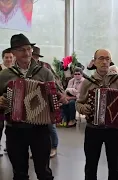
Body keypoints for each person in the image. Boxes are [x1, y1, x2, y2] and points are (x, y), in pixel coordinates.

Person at [0, 33, 67, 180]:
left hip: (40, 129)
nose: (26, 53)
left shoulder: (44, 72)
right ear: (13, 53)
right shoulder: (5, 75)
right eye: (21, 50)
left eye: (29, 49)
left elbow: (59, 93)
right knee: (19, 173)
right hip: (14, 129)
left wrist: (60, 98)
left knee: (44, 172)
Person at [76, 49, 118, 180]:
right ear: (94, 61)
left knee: (114, 166)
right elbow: (79, 103)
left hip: (114, 130)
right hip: (93, 129)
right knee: (90, 166)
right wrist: (84, 108)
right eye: (101, 58)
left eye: (107, 59)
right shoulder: (87, 82)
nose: (105, 62)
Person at [32, 45, 60, 158]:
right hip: (34, 102)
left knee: (50, 125)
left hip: (47, 100)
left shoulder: (45, 66)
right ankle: (36, 149)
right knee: (35, 127)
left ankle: (54, 147)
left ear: (37, 57)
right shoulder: (26, 68)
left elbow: (56, 80)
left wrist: (59, 94)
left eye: (34, 56)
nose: (32, 58)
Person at [0, 48, 13, 156]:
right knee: (0, 126)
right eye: (6, 57)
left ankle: (9, 146)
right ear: (3, 58)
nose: (8, 59)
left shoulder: (15, 71)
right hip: (0, 106)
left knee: (10, 127)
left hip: (12, 106)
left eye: (10, 57)